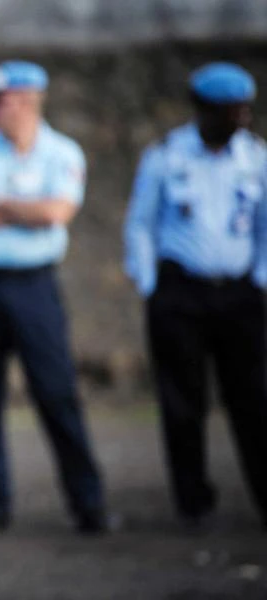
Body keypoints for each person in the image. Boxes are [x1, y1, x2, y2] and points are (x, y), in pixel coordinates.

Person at [0, 60, 111, 536]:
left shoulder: (62, 151)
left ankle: (88, 503)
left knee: (57, 393)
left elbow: (57, 212)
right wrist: (25, 211)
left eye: (4, 99)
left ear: (32, 100)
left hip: (35, 285)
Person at [123, 62, 267, 531]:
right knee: (183, 403)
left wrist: (260, 281)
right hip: (181, 294)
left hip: (241, 296)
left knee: (254, 400)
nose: (240, 120)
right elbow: (141, 225)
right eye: (230, 111)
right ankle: (194, 503)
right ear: (203, 110)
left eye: (245, 111)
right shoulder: (167, 155)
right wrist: (151, 285)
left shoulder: (256, 158)